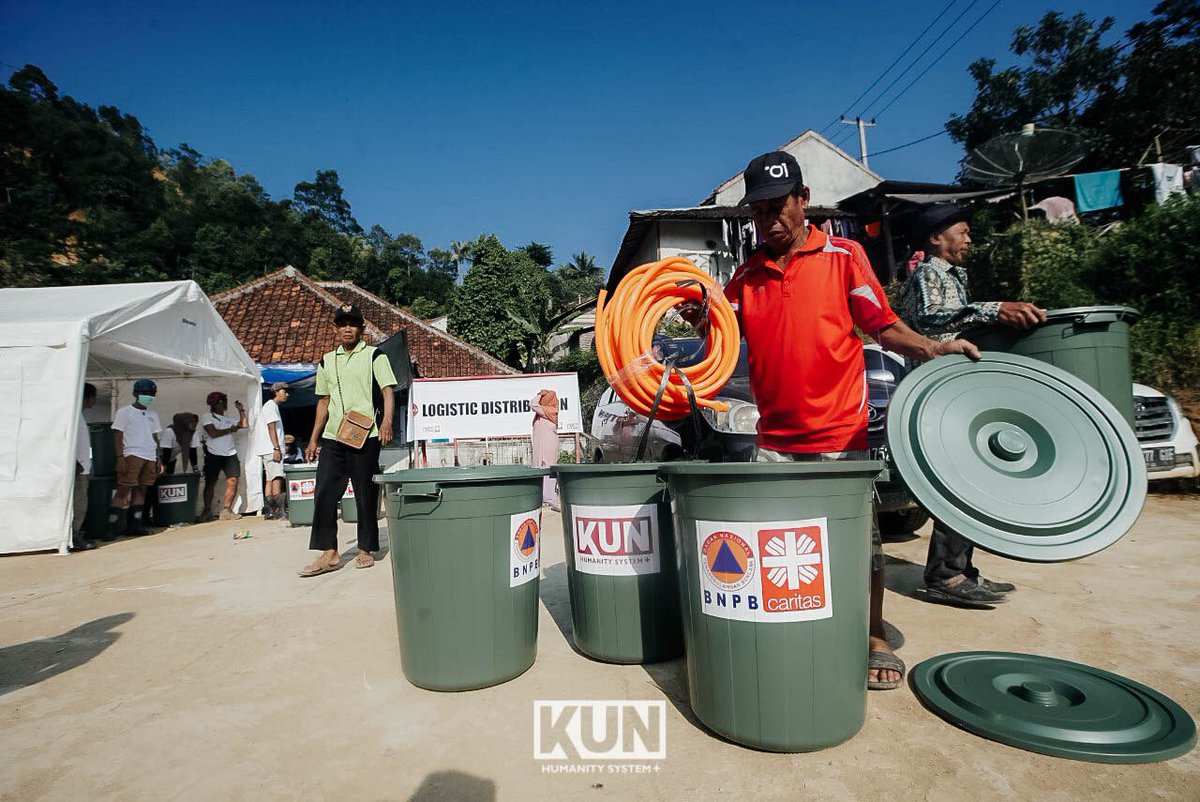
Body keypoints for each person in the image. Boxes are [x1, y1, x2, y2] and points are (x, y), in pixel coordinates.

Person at [719, 151, 980, 690]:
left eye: (778, 206)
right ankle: (793, 629)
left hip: (841, 435)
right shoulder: (744, 277)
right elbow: (719, 339)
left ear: (803, 200)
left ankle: (873, 634)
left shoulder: (843, 255)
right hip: (775, 441)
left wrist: (930, 346)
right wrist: (700, 316)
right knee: (780, 548)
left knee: (861, 546)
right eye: (759, 210)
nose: (769, 218)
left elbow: (883, 326)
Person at [894, 202, 1047, 607]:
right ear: (936, 238)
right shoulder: (929, 273)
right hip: (935, 394)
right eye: (961, 231)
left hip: (952, 391)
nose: (968, 239)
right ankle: (947, 575)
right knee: (959, 483)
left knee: (970, 481)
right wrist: (995, 309)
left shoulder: (951, 277)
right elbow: (933, 321)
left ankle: (960, 569)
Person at [298, 304, 397, 577]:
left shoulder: (375, 355)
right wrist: (313, 439)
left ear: (361, 328)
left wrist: (386, 422)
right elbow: (323, 400)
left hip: (365, 434)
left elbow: (388, 391)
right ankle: (329, 552)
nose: (347, 328)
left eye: (352, 324)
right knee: (325, 492)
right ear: (335, 328)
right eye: (342, 324)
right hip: (333, 436)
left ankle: (365, 548)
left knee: (365, 493)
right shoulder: (327, 360)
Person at [110, 379, 163, 537]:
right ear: (135, 394)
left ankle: (135, 525)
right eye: (145, 393)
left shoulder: (153, 414)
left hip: (149, 455)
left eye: (152, 394)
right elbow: (118, 436)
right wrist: (120, 457)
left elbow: (155, 437)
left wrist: (158, 457)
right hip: (132, 454)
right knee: (123, 490)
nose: (149, 396)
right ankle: (112, 526)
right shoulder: (124, 412)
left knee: (141, 490)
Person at [200, 391, 247, 521]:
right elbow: (212, 433)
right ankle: (207, 510)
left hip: (230, 453)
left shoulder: (229, 418)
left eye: (224, 401)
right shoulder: (207, 416)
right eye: (221, 402)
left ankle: (226, 510)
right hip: (213, 453)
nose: (224, 404)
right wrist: (231, 430)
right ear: (213, 404)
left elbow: (244, 425)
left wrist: (241, 410)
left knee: (233, 480)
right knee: (211, 483)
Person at [71, 382, 99, 551]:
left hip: (83, 467)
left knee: (81, 503)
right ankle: (74, 537)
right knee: (79, 504)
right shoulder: (74, 416)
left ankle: (76, 534)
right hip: (78, 468)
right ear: (88, 398)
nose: (94, 401)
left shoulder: (79, 416)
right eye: (93, 398)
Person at [257, 382, 290, 520]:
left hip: (267, 449)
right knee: (277, 477)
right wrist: (276, 448)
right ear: (276, 391)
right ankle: (278, 509)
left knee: (270, 478)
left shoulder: (270, 406)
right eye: (284, 391)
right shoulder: (271, 406)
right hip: (271, 449)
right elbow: (271, 428)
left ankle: (270, 510)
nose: (287, 394)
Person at [531, 389, 560, 510]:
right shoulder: (542, 413)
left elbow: (532, 404)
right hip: (540, 445)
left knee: (548, 469)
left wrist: (539, 394)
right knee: (540, 468)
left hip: (548, 445)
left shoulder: (550, 411)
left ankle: (551, 499)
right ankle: (542, 498)